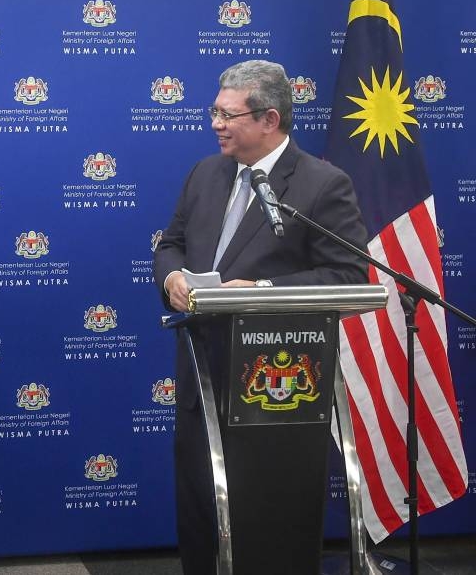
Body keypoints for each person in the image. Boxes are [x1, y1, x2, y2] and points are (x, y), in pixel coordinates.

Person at [153, 60, 368, 575]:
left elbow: (347, 274)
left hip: (276, 388)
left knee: (267, 525)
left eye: (228, 115)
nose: (215, 124)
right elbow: (173, 242)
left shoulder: (321, 185)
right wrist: (172, 277)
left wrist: (264, 290)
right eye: (214, 111)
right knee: (203, 511)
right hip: (201, 376)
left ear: (269, 120)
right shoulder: (206, 173)